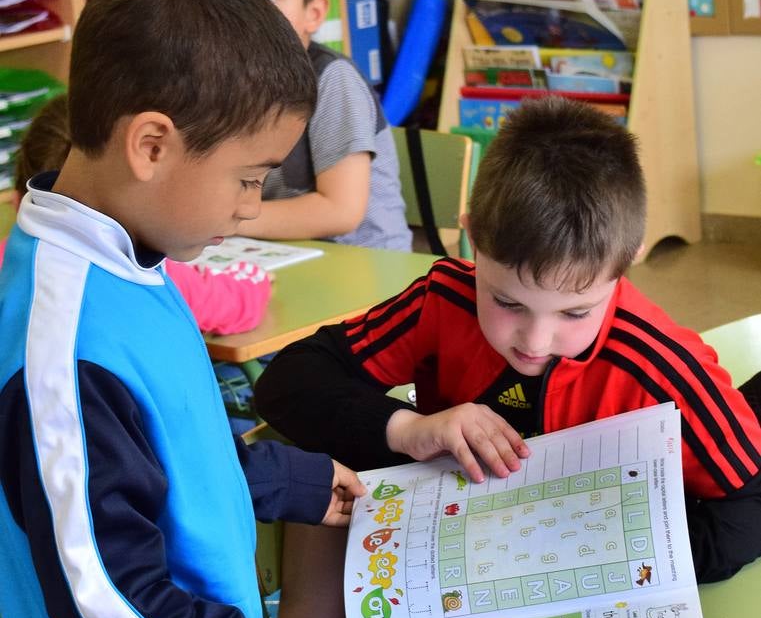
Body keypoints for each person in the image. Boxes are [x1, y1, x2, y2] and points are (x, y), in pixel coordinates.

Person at [0, 0, 448, 618]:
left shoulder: (127, 248)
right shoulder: (62, 342)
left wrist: (292, 479)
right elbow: (117, 617)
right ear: (152, 145)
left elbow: (159, 456)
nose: (250, 207)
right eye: (247, 178)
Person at [256, 96, 761, 586]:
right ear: (474, 239)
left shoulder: (657, 363)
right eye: (508, 303)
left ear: (627, 261)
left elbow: (747, 503)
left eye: (575, 312)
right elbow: (289, 381)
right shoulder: (443, 300)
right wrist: (408, 428)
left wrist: (609, 552)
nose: (535, 341)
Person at [208, 0, 412, 252]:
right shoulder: (223, 80)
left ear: (314, 14)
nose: (248, 14)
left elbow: (340, 211)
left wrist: (225, 219)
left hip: (370, 270)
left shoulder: (332, 80)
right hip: (284, 255)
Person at [2, 93, 272, 337]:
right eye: (249, 181)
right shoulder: (144, 272)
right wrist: (254, 275)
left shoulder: (12, 259)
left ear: (17, 201)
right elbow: (234, 302)